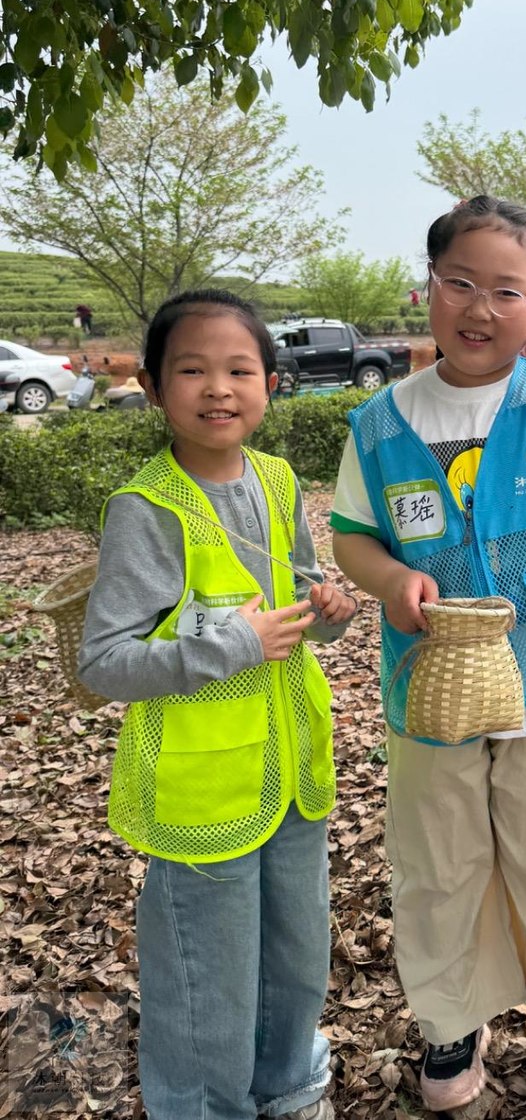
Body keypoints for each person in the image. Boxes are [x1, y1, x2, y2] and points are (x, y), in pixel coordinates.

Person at [330, 196, 526, 1120]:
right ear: (427, 287)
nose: (479, 307)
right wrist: (391, 579)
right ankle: (450, 1019)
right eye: (459, 282)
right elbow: (352, 536)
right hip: (429, 684)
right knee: (437, 865)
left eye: (509, 291)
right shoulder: (380, 422)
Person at [78, 288, 357, 1120]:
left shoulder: (275, 480)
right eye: (192, 370)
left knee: (296, 948)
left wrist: (329, 612)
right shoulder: (146, 510)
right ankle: (203, 1106)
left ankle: (287, 1082)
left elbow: (296, 606)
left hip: (290, 772)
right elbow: (103, 662)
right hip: (202, 789)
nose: (218, 389)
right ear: (154, 389)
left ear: (271, 383)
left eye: (239, 370)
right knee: (207, 971)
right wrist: (231, 646)